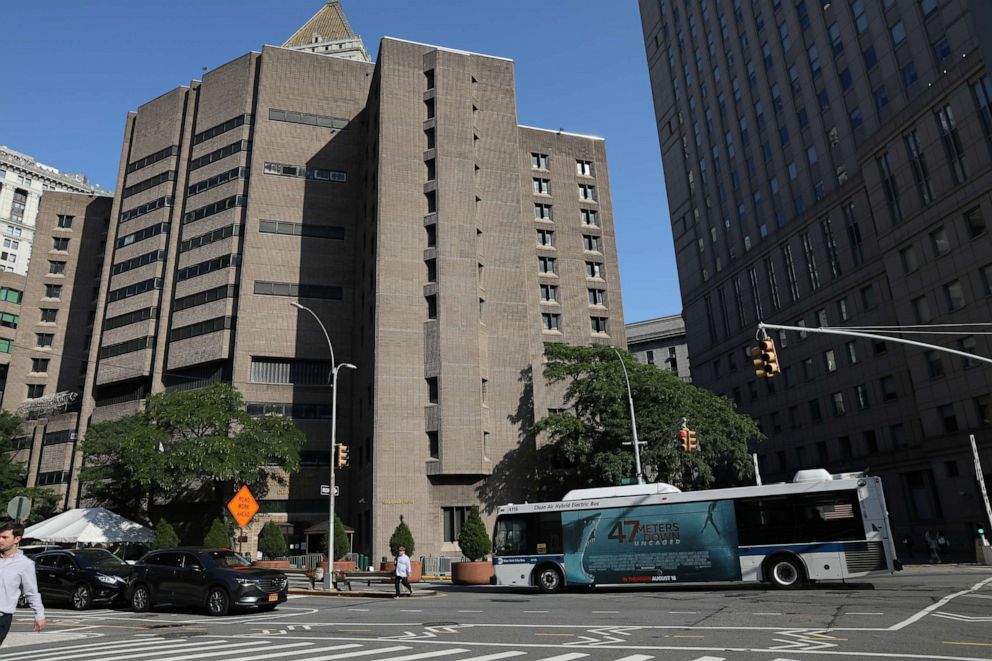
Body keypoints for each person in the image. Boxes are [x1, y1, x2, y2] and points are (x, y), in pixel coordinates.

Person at [0, 521, 46, 646]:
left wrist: (39, 615)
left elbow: (31, 592)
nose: (0, 540)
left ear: (17, 539)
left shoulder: (25, 564)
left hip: (2, 617)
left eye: (4, 537)